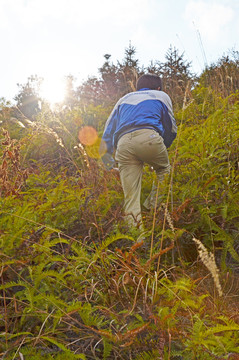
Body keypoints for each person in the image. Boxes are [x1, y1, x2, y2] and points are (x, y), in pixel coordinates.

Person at [100, 73, 177, 230]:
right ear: (158, 87)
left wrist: (108, 163)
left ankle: (138, 243)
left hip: (123, 144)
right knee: (164, 170)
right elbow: (171, 127)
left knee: (130, 198)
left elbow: (108, 130)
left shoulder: (124, 99)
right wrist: (163, 146)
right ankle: (152, 207)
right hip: (149, 137)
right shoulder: (161, 96)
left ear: (137, 87)